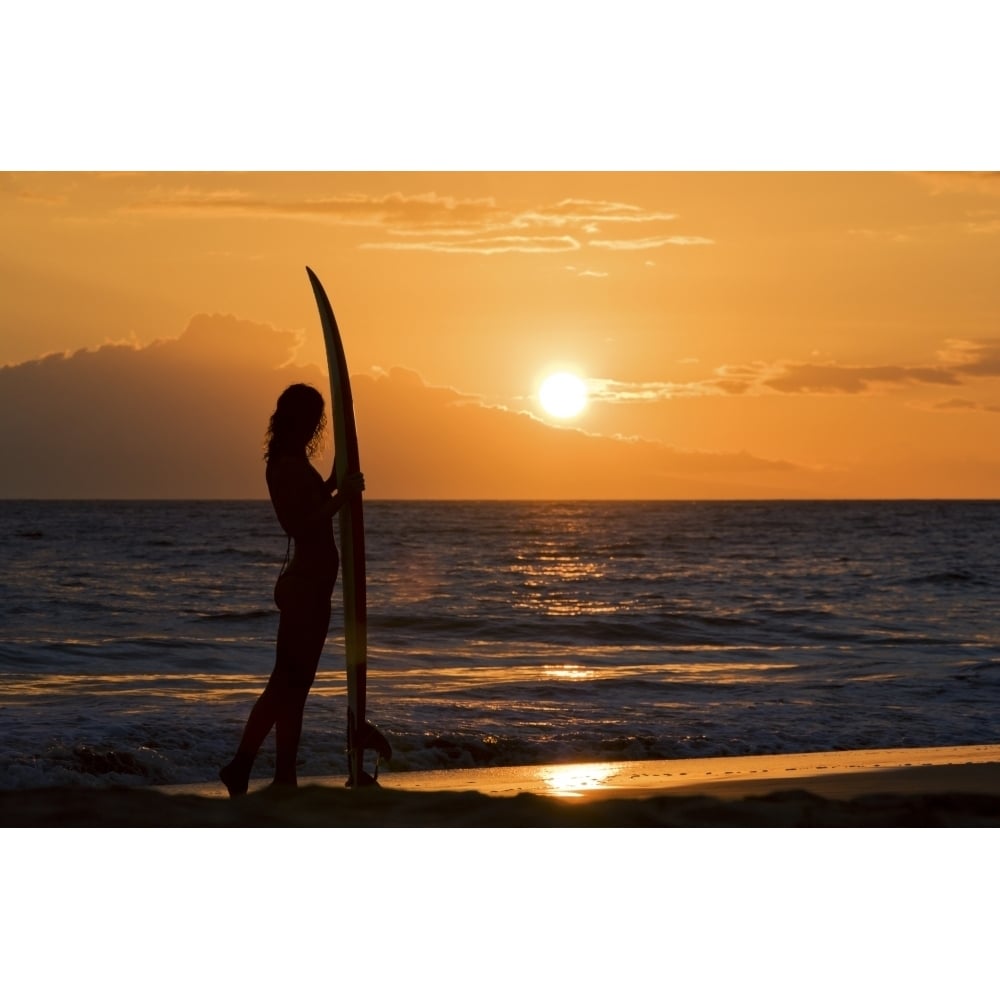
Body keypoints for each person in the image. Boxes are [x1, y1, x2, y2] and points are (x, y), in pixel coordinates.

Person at [220, 383, 364, 796]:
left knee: (297, 689)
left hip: (315, 588)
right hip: (303, 587)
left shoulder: (297, 461)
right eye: (315, 417)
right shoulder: (283, 465)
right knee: (284, 684)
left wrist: (343, 464)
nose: (317, 424)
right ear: (296, 418)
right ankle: (241, 764)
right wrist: (343, 497)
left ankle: (285, 776)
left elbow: (321, 494)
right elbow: (301, 523)